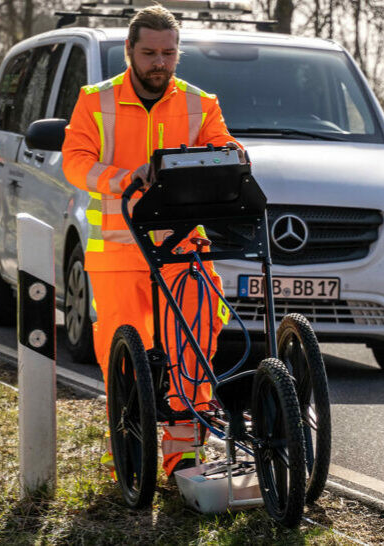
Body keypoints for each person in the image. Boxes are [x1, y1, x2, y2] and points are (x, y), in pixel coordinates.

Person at [61, 5, 244, 479]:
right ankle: (129, 441)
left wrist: (231, 158)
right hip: (118, 250)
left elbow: (227, 149)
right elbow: (75, 161)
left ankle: (183, 449)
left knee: (195, 337)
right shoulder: (94, 100)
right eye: (149, 53)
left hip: (184, 250)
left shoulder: (201, 103)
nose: (159, 63)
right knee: (124, 349)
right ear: (129, 51)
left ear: (177, 53)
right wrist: (126, 179)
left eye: (168, 53)